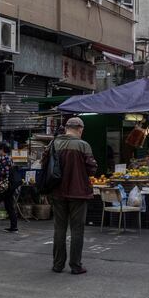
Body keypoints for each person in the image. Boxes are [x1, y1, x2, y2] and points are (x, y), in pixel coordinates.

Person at [49, 117, 97, 275]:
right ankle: (75, 265)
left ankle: (57, 265)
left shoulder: (53, 143)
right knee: (77, 230)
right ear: (80, 129)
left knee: (59, 229)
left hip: (57, 192)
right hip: (78, 193)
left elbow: (44, 164)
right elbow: (92, 169)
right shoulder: (83, 145)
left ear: (66, 128)